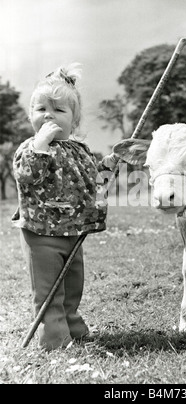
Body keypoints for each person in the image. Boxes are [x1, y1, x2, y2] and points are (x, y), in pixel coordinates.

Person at [12, 64, 107, 351]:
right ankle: (54, 338)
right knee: (48, 289)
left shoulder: (80, 149)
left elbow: (91, 178)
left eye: (58, 110)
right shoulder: (30, 148)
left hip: (72, 229)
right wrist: (40, 146)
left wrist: (107, 167)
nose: (48, 115)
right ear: (31, 116)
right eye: (40, 109)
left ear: (74, 122)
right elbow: (27, 176)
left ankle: (73, 327)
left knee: (72, 285)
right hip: (41, 232)